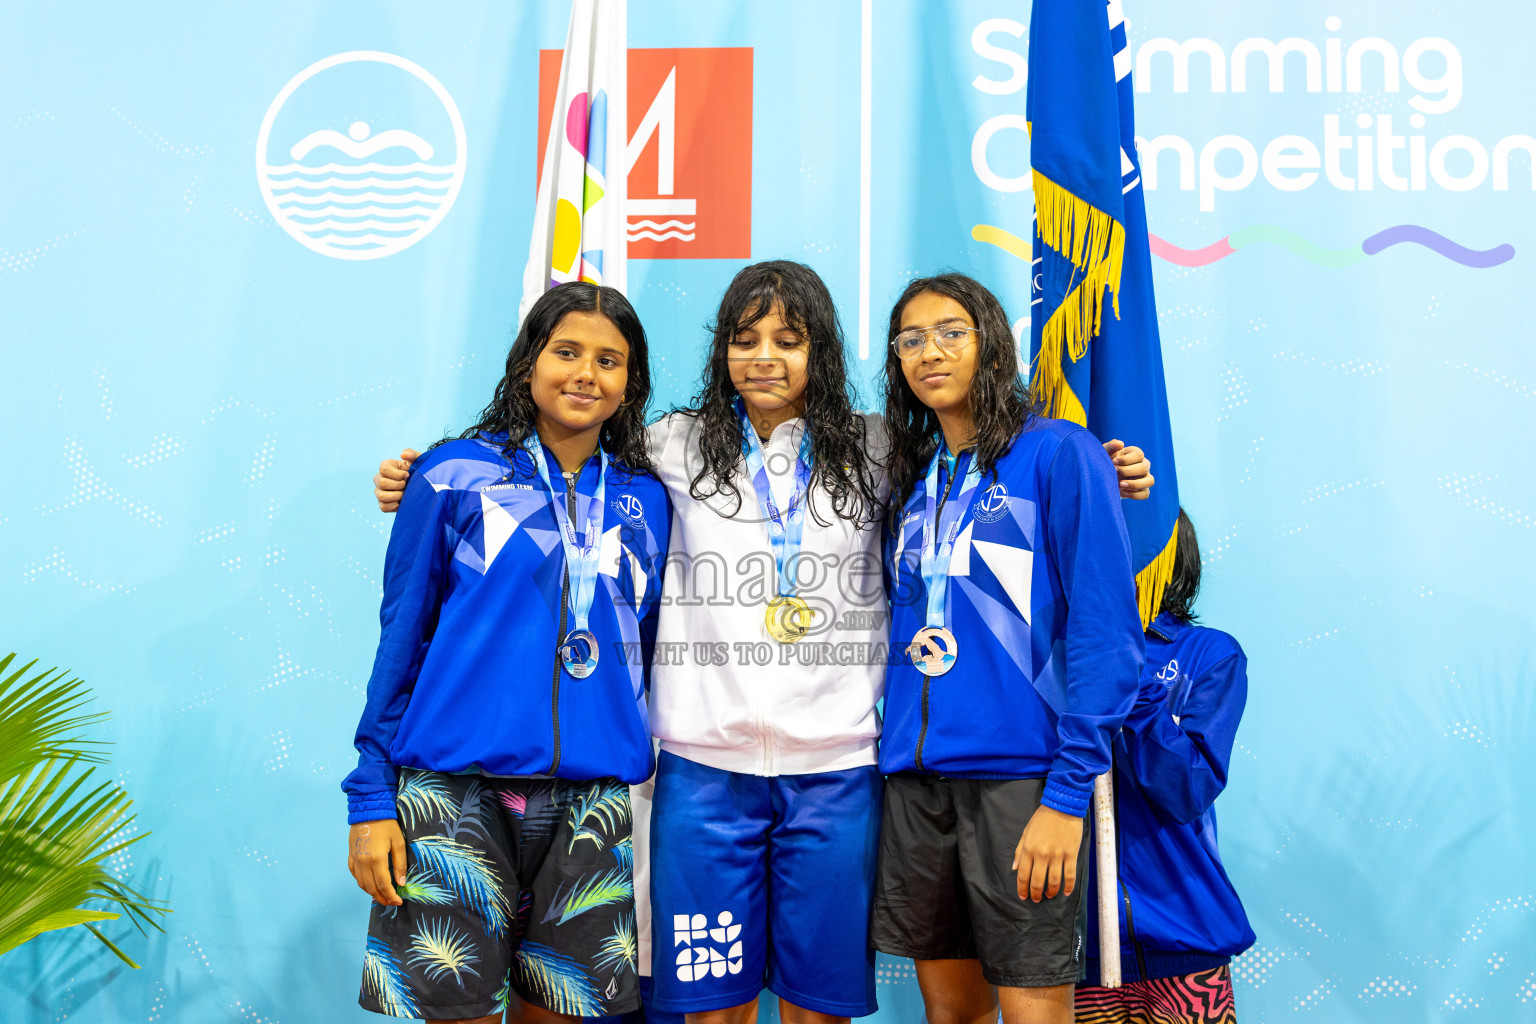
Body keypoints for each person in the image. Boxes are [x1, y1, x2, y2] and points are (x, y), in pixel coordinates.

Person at [372, 263, 1155, 1023]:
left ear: (822, 351)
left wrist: (1103, 467)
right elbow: (573, 465)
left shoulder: (882, 451)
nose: (765, 357)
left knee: (821, 1011)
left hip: (839, 772)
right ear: (722, 351)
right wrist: (423, 477)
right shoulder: (670, 446)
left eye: (789, 339)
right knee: (714, 1010)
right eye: (745, 340)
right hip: (702, 774)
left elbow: (993, 474)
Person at [343, 282, 671, 1024]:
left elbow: (646, 649)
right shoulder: (452, 474)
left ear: (630, 385)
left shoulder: (648, 501)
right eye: (567, 352)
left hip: (591, 805)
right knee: (454, 1014)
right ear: (528, 365)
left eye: (609, 360)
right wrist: (372, 797)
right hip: (453, 793)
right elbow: (401, 642)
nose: (586, 373)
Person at [871, 273, 1144, 1024]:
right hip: (917, 783)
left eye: (950, 333)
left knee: (1034, 1013)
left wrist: (1066, 796)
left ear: (992, 345)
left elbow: (1105, 636)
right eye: (911, 339)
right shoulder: (912, 480)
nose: (930, 352)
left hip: (1022, 785)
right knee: (952, 1015)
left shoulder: (1058, 453)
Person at [1075, 509, 1255, 1024]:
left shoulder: (1208, 655)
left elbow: (1188, 788)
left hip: (1184, 940)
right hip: (1076, 948)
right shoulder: (1055, 659)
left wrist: (1128, 682)